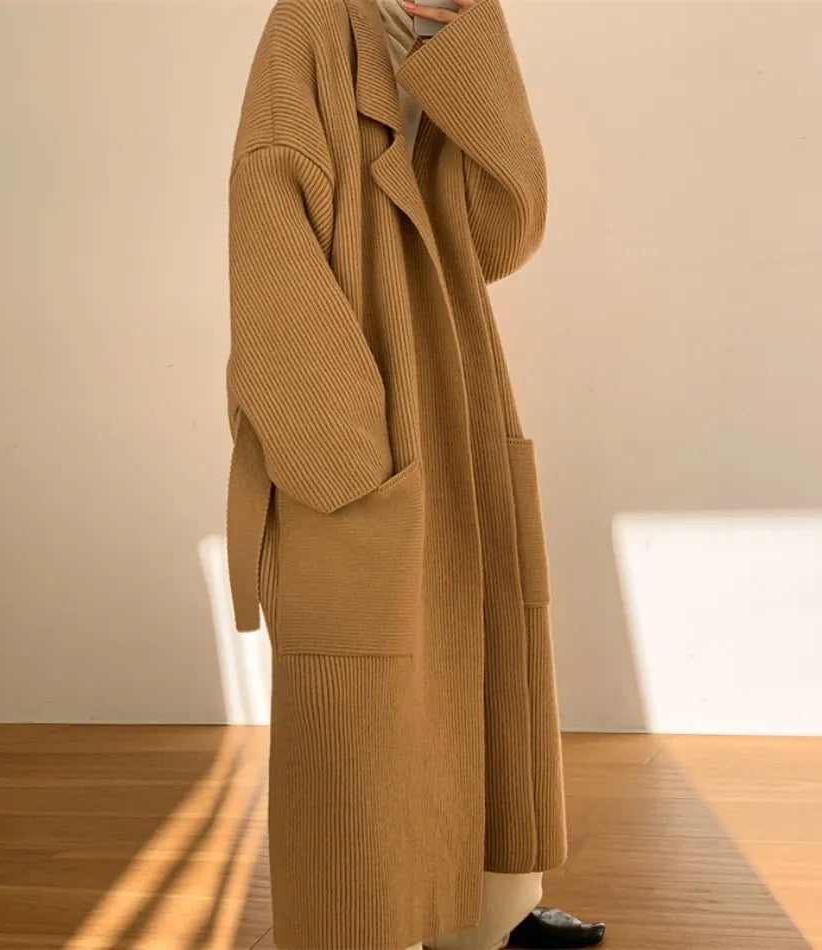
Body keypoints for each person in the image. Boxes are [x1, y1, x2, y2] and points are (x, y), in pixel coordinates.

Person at [225, 0, 605, 947]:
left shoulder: (459, 29)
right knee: (364, 700)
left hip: (457, 394)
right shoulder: (312, 24)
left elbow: (501, 234)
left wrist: (468, 49)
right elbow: (268, 219)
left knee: (486, 653)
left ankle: (494, 916)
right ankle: (364, 928)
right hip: (360, 403)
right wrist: (344, 452)